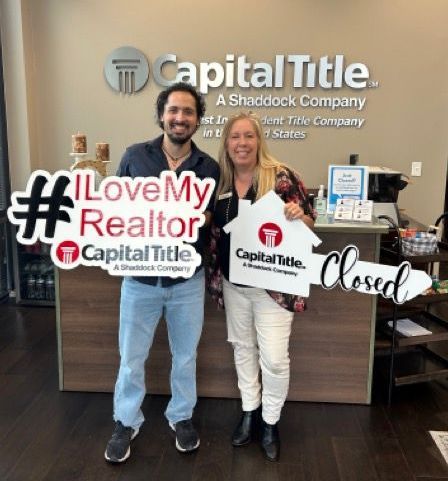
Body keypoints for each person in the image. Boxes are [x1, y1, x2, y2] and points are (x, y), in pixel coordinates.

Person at [105, 82, 220, 463]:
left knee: (185, 356)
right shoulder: (135, 157)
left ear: (198, 120)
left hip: (187, 280)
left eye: (188, 112)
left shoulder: (208, 167)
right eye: (174, 110)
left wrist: (202, 217)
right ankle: (126, 420)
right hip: (139, 280)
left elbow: (210, 221)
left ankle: (181, 416)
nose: (180, 118)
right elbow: (114, 210)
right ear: (161, 115)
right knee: (131, 356)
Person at [208, 111, 315, 462]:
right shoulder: (218, 182)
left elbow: (310, 220)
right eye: (235, 137)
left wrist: (301, 215)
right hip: (233, 284)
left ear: (259, 140)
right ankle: (249, 411)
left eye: (248, 136)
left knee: (274, 358)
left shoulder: (280, 177)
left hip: (273, 287)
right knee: (242, 349)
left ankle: (270, 421)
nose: (242, 143)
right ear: (227, 142)